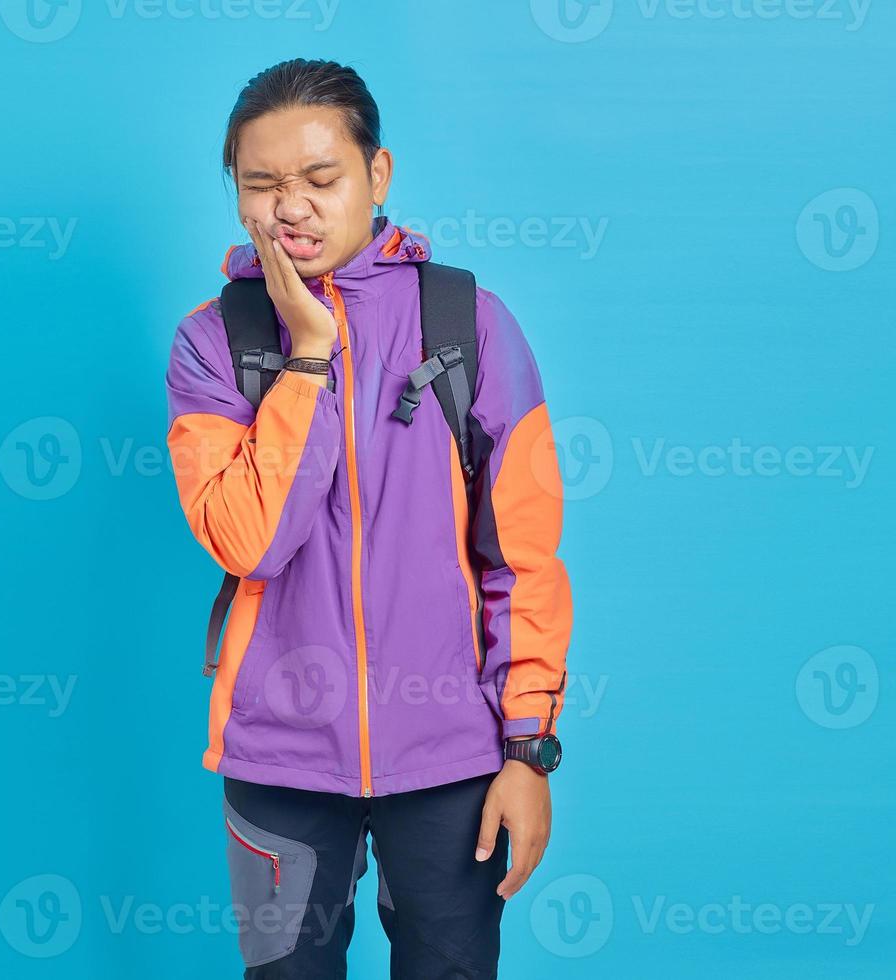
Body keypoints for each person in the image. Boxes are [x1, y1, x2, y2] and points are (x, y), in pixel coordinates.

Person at [164, 57, 573, 979]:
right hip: (279, 757)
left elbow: (525, 559)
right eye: (262, 184)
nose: (291, 208)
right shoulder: (214, 342)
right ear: (236, 195)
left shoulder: (466, 324)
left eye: (320, 178)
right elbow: (249, 540)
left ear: (376, 175)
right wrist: (308, 358)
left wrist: (529, 752)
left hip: (455, 761)